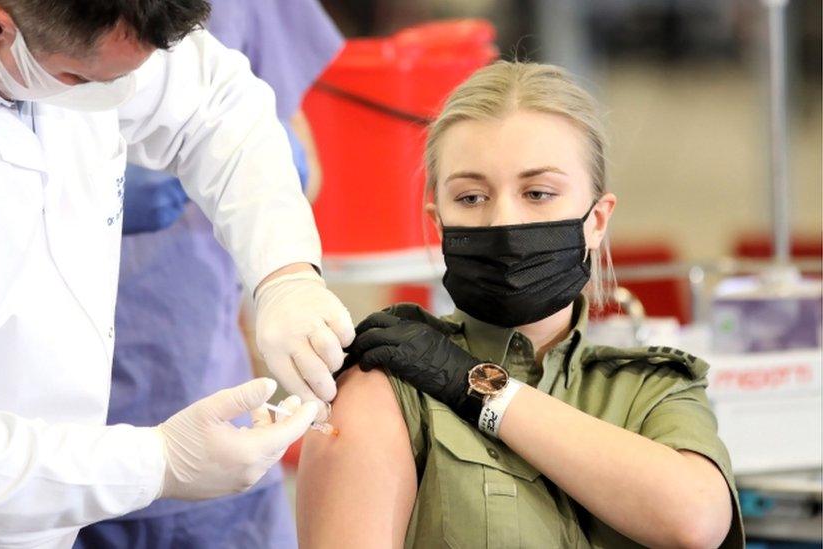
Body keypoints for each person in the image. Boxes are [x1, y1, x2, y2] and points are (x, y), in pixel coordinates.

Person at [0, 1, 354, 547]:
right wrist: (159, 463)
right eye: (79, 79)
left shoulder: (97, 23)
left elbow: (219, 104)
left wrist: (285, 273)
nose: (114, 97)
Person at [297, 61, 744, 548]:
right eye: (470, 197)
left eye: (538, 193)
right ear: (440, 223)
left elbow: (696, 520)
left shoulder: (652, 387)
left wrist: (477, 387)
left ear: (597, 220)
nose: (501, 220)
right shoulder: (389, 386)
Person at [74, 1, 343, 547]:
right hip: (30, 424)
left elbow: (251, 131)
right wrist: (85, 187)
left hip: (190, 375)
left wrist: (285, 274)